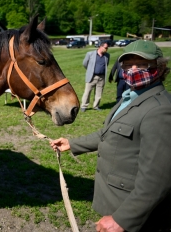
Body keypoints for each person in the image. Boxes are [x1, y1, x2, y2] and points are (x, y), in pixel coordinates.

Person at [50, 40, 171, 232]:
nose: (132, 70)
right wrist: (72, 144)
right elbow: (108, 134)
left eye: (141, 64)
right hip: (116, 203)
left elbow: (157, 179)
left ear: (159, 67)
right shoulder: (131, 97)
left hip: (133, 216)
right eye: (127, 64)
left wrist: (123, 219)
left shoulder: (160, 110)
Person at [81, 42, 110, 111]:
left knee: (99, 93)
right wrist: (90, 70)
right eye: (105, 48)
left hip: (101, 77)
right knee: (87, 92)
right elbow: (85, 64)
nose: (106, 49)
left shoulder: (107, 56)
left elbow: (106, 64)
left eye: (107, 48)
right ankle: (84, 106)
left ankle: (96, 106)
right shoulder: (90, 54)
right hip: (92, 77)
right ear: (100, 46)